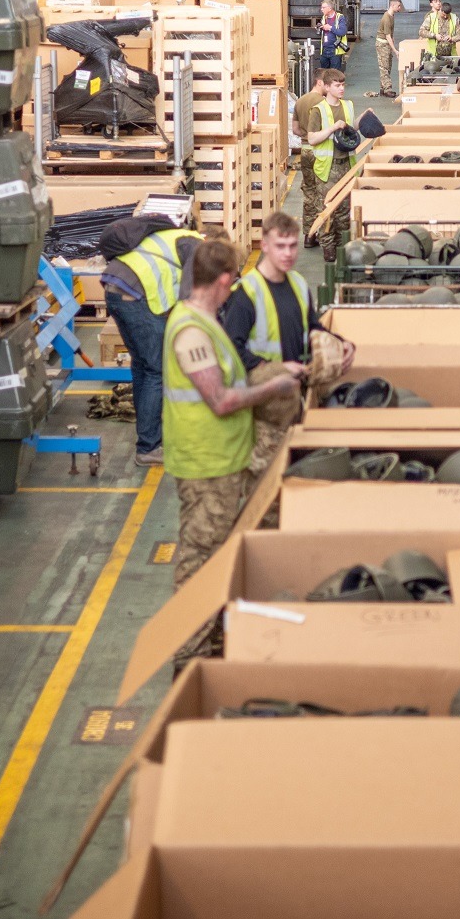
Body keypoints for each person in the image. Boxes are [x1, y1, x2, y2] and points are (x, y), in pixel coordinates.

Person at [163, 238, 303, 669]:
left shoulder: (206, 319)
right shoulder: (190, 332)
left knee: (214, 552)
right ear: (224, 280)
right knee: (198, 557)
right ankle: (189, 657)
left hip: (224, 457)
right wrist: (273, 388)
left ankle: (210, 640)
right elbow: (220, 400)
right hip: (206, 464)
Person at [220, 211, 352, 475]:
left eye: (293, 245)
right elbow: (230, 350)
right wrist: (277, 369)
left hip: (294, 398)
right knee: (265, 480)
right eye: (280, 246)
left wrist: (341, 343)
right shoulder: (246, 293)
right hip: (262, 409)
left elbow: (311, 326)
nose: (288, 253)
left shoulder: (299, 284)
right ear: (265, 246)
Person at [98, 215, 201, 467]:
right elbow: (189, 297)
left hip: (114, 288)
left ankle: (150, 438)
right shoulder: (198, 247)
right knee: (157, 369)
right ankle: (148, 447)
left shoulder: (172, 237)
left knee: (143, 366)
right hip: (134, 295)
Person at [305, 68, 359, 261]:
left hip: (347, 165)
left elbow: (352, 128)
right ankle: (328, 248)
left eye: (343, 84)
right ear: (326, 87)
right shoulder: (318, 111)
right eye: (337, 85)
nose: (341, 88)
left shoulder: (349, 106)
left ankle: (341, 247)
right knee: (328, 210)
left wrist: (364, 119)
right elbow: (312, 139)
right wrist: (333, 128)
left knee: (345, 211)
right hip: (328, 168)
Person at [291, 79, 326, 247]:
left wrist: (306, 135)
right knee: (324, 193)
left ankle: (309, 236)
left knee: (309, 193)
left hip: (305, 150)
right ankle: (325, 233)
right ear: (320, 82)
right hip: (321, 151)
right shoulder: (324, 103)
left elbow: (295, 130)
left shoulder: (300, 101)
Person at [368, 0, 404, 98]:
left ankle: (383, 88)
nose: (400, 8)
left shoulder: (391, 16)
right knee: (384, 67)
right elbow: (388, 36)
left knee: (387, 66)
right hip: (383, 44)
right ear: (392, 5)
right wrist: (395, 50)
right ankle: (388, 89)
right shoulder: (387, 18)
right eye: (398, 6)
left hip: (386, 43)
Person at [317, 0, 349, 70]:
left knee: (334, 74)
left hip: (335, 50)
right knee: (324, 73)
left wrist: (330, 28)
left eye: (323, 7)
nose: (321, 9)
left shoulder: (340, 17)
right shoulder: (323, 18)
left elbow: (342, 32)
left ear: (330, 8)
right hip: (324, 50)